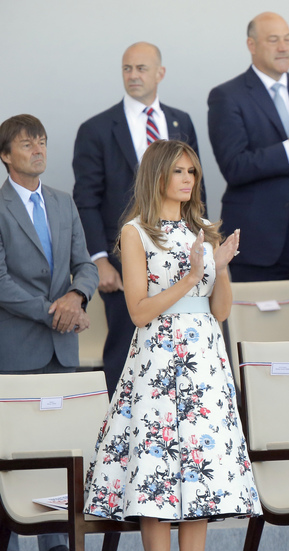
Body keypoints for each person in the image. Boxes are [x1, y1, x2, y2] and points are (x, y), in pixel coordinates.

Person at [83, 139, 261, 551]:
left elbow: (222, 311)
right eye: (179, 170)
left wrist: (219, 269)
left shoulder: (204, 231)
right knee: (158, 483)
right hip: (159, 362)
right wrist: (192, 275)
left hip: (206, 360)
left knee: (199, 488)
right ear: (157, 175)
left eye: (193, 171)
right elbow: (138, 311)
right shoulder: (134, 232)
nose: (188, 179)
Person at [73, 41, 204, 397]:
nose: (133, 75)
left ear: (160, 73)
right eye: (127, 68)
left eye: (141, 68)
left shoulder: (181, 121)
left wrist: (201, 247)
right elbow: (85, 201)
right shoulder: (96, 129)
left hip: (180, 258)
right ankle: (124, 432)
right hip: (123, 261)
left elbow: (194, 190)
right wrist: (98, 259)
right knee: (125, 348)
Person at [0, 114, 100, 551]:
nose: (37, 149)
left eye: (41, 141)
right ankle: (7, 548)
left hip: (62, 348)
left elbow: (86, 264)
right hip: (16, 348)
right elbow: (0, 282)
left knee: (60, 447)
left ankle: (58, 548)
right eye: (26, 143)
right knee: (15, 450)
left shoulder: (63, 203)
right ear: (6, 156)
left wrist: (77, 297)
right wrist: (52, 310)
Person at [207, 11, 289, 302]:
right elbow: (235, 166)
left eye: (288, 39)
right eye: (274, 40)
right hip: (261, 239)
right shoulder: (227, 96)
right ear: (251, 45)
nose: (283, 47)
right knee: (263, 333)